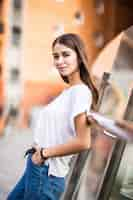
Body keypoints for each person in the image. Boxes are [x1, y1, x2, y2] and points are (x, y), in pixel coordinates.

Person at [7, 33, 99, 200]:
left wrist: (43, 154)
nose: (59, 61)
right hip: (37, 167)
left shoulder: (80, 92)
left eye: (66, 54)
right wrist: (37, 157)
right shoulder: (69, 91)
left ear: (79, 57)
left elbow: (83, 142)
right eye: (56, 56)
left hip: (47, 173)